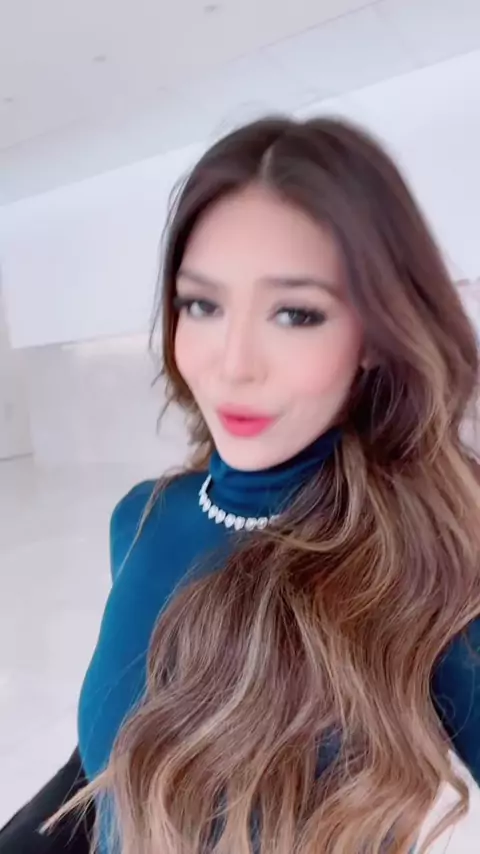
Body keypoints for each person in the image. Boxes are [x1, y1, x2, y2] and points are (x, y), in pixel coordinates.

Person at [3, 116, 480, 854]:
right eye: (202, 305)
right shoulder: (142, 518)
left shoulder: (435, 560)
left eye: (295, 313)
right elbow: (110, 760)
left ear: (374, 336)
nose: (233, 364)